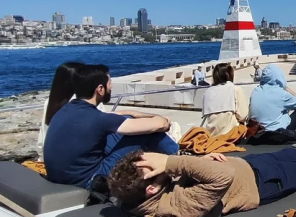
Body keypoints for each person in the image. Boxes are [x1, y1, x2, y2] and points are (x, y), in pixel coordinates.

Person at [107, 133, 296, 217]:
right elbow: (222, 178)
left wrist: (199, 160)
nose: (160, 166)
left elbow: (186, 176)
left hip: (248, 166)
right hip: (259, 184)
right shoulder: (173, 210)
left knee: (293, 153)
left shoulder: (142, 193)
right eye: (155, 169)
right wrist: (171, 161)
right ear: (151, 188)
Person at [44, 64, 180, 189]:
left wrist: (131, 113)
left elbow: (113, 117)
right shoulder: (99, 119)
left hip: (60, 177)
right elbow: (160, 125)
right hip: (90, 181)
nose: (111, 87)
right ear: (100, 89)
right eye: (109, 83)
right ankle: (179, 163)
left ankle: (172, 160)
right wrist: (164, 120)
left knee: (126, 124)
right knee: (149, 132)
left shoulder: (65, 110)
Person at [38, 62, 85, 162]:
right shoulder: (81, 103)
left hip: (49, 157)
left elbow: (43, 134)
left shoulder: (50, 101)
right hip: (73, 160)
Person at [249, 64, 296, 132]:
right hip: (277, 133)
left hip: (258, 133)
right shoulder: (281, 93)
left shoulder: (255, 91)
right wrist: (286, 88)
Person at [200, 63, 249, 137]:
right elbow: (243, 116)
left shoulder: (207, 92)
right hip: (231, 135)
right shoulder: (235, 89)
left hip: (212, 136)